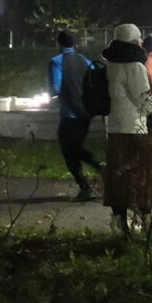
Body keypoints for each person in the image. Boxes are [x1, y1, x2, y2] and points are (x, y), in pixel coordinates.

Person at [102, 24, 152, 232]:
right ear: (133, 41)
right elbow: (145, 103)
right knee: (140, 174)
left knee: (118, 175)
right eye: (139, 38)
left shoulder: (110, 65)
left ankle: (118, 220)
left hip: (113, 128)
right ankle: (145, 219)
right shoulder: (135, 66)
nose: (142, 42)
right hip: (134, 128)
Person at [48, 30, 101, 201]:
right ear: (73, 44)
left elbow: (56, 88)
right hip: (86, 112)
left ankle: (87, 184)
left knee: (68, 150)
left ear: (58, 44)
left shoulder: (56, 62)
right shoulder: (85, 60)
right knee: (75, 147)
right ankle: (98, 167)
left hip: (69, 113)